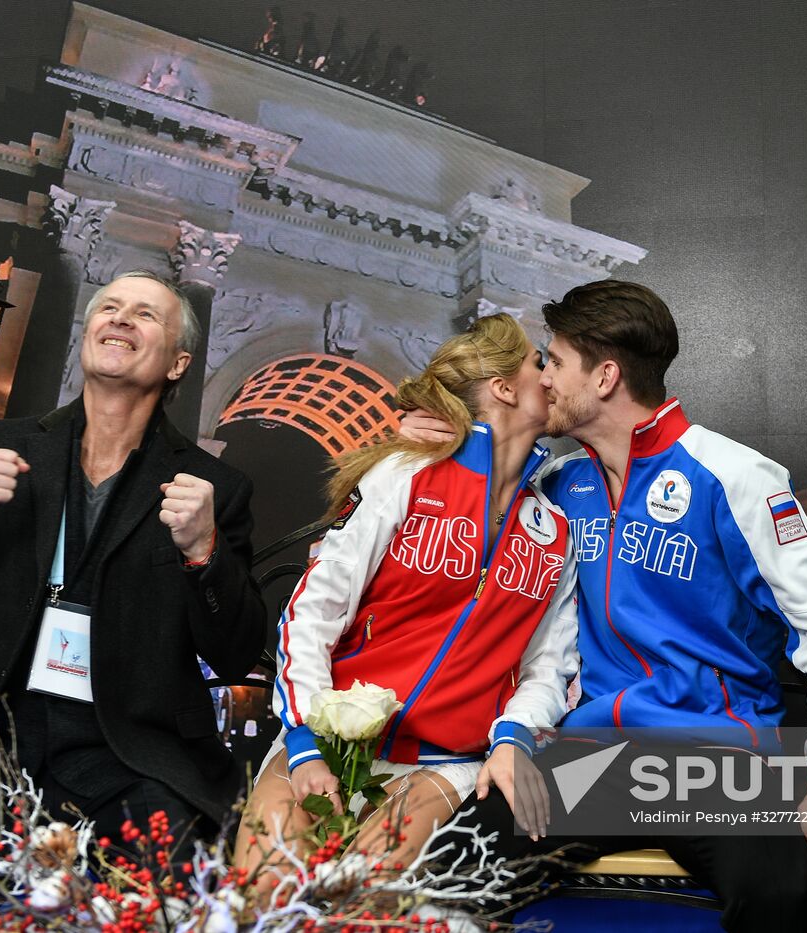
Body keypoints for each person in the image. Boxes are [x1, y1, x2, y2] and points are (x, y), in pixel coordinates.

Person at [404, 281, 807, 932]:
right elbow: (467, 564)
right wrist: (435, 454)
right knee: (452, 862)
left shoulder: (737, 477)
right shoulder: (559, 482)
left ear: (604, 376)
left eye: (554, 360)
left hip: (721, 762)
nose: (542, 376)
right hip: (595, 758)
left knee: (775, 895)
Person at [0, 271, 265, 901]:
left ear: (178, 363)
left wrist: (204, 552)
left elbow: (236, 650)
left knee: (159, 903)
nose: (119, 319)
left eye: (144, 315)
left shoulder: (211, 486)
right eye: (108, 308)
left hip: (131, 748)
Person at [233, 312, 578, 884]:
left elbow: (548, 667)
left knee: (359, 891)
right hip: (330, 740)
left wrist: (514, 736)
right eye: (539, 363)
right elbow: (311, 614)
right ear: (503, 387)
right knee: (265, 885)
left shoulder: (557, 527)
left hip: (447, 763)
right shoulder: (406, 474)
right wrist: (303, 742)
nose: (548, 377)